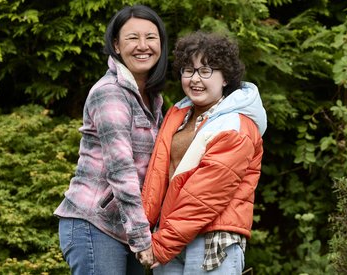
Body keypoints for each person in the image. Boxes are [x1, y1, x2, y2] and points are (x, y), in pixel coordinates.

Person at [53, 4, 168, 275]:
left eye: (151, 37)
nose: (143, 46)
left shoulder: (152, 99)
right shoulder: (110, 93)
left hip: (127, 229)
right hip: (95, 225)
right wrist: (142, 237)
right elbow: (121, 169)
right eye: (132, 38)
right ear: (116, 45)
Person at [140, 31, 267, 274]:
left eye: (206, 70)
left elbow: (205, 194)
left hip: (212, 238)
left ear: (226, 78)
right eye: (188, 70)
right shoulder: (178, 115)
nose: (195, 79)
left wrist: (162, 243)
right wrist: (145, 231)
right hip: (170, 235)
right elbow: (158, 179)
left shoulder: (237, 124)